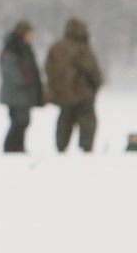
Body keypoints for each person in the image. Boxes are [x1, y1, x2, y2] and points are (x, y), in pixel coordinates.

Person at [45, 18, 104, 154]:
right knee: (87, 119)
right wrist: (96, 83)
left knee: (65, 119)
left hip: (63, 92)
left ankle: (61, 146)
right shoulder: (81, 48)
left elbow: (49, 68)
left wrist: (54, 87)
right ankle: (86, 146)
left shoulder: (56, 47)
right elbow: (91, 69)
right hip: (82, 90)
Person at [0, 20, 44, 154]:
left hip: (23, 94)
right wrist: (25, 81)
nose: (31, 36)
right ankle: (11, 148)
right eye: (30, 33)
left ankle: (18, 147)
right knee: (18, 121)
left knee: (24, 121)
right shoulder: (12, 49)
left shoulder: (24, 48)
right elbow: (11, 71)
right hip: (15, 93)